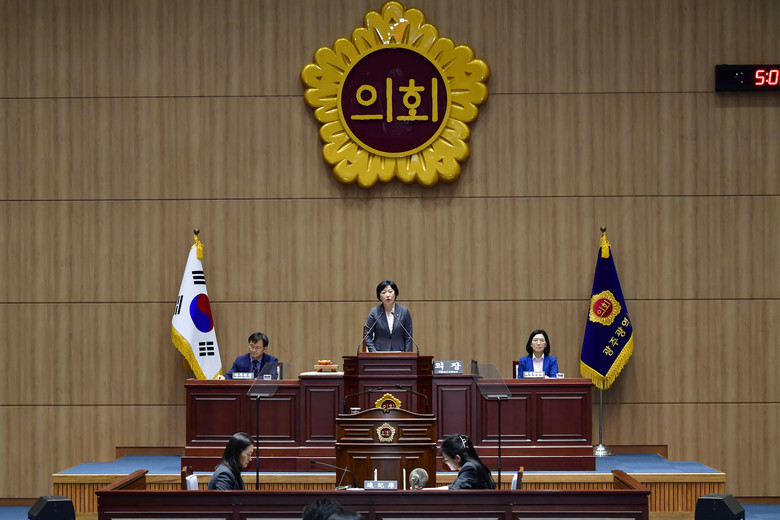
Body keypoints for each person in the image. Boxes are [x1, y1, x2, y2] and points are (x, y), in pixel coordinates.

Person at [364, 280, 413, 352]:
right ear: (379, 296)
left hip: (400, 354)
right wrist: (374, 353)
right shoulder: (374, 313)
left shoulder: (404, 312)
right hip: (379, 354)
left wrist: (407, 355)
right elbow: (367, 336)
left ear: (395, 294)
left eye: (390, 291)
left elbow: (409, 337)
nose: (387, 295)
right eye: (383, 292)